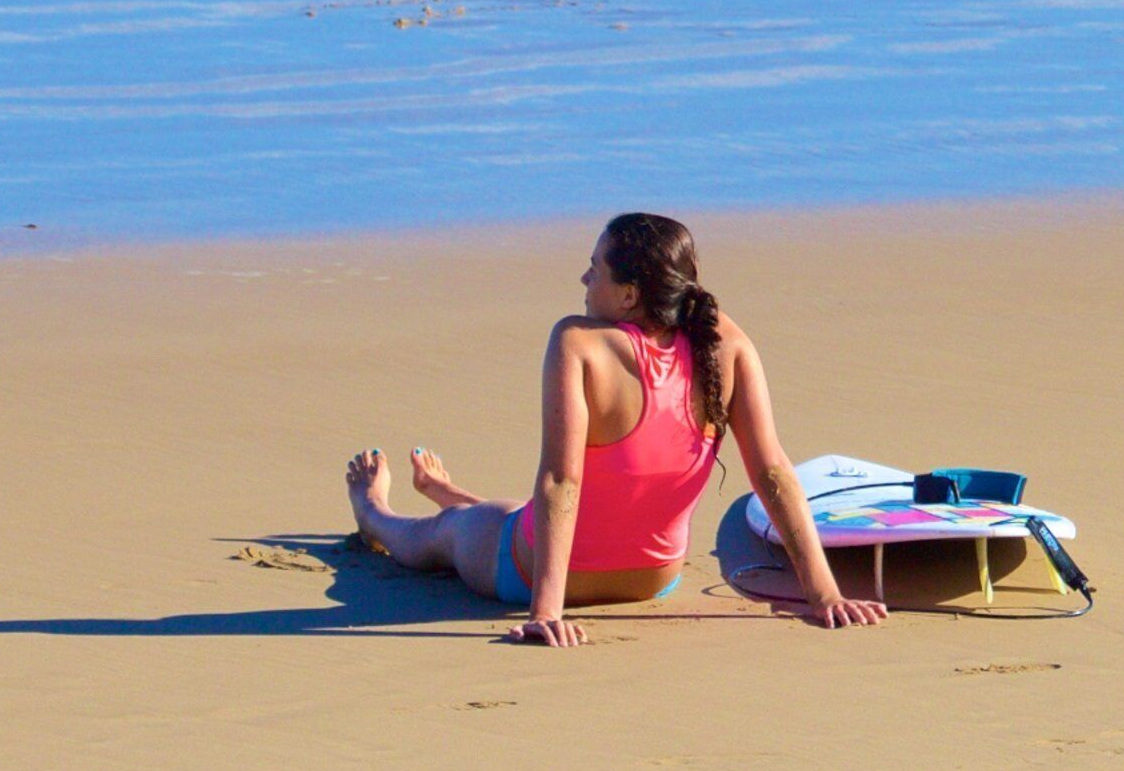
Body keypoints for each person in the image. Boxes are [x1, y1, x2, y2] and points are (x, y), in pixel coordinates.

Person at [342, 210, 887, 645]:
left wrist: (545, 612)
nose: (584, 278)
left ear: (628, 295)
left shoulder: (577, 342)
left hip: (528, 573)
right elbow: (771, 471)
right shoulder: (729, 343)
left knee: (448, 531)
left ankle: (377, 510)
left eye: (595, 268)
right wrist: (825, 597)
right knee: (516, 512)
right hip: (653, 581)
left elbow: (561, 482)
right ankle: (450, 493)